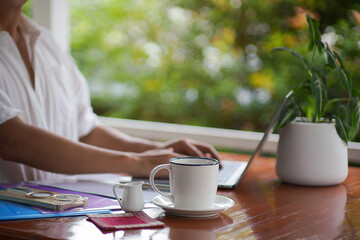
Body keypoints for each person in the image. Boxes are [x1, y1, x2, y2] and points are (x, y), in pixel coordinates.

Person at [0, 0, 221, 183]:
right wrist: (138, 162)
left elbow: (84, 129)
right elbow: (10, 139)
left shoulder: (46, 43)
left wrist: (154, 151)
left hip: (63, 218)